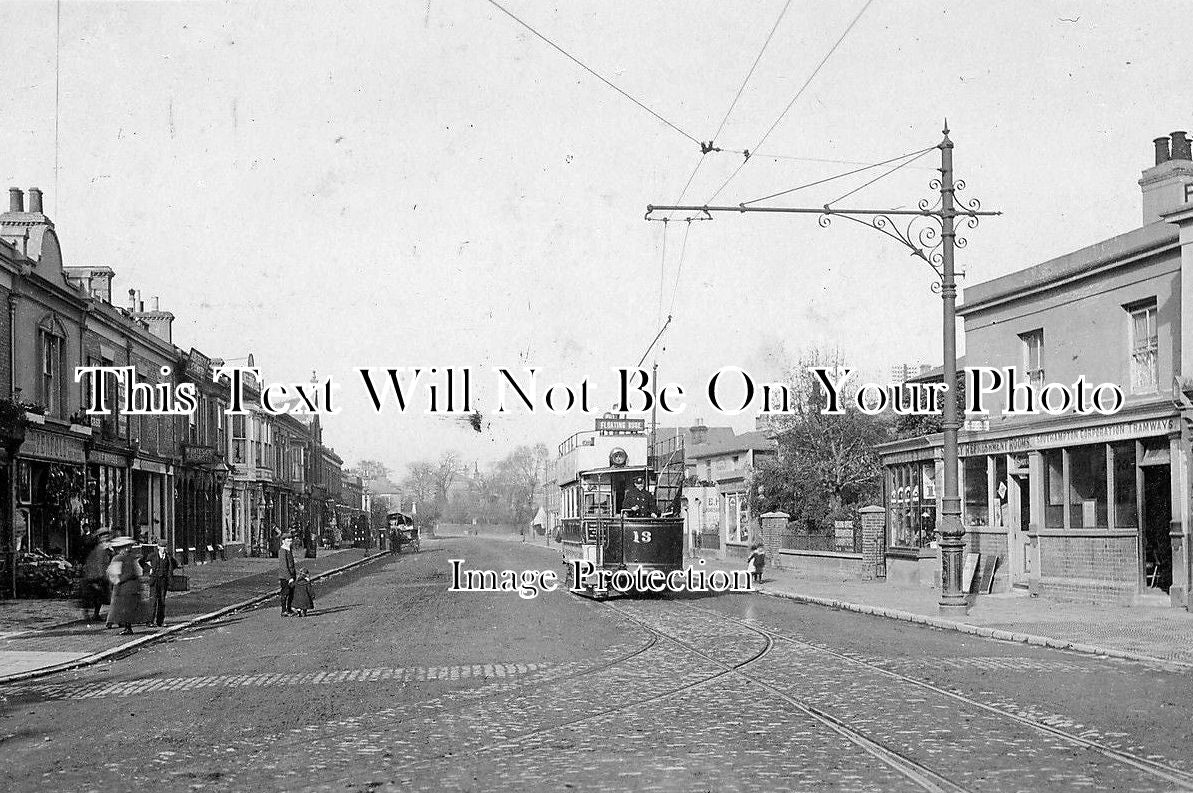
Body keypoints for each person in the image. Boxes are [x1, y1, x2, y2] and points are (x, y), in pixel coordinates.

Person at [106, 537, 145, 635]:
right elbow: (138, 571)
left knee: (122, 606)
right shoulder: (132, 557)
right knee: (127, 607)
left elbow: (113, 573)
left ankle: (126, 627)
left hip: (123, 586)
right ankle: (125, 626)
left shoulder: (118, 558)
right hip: (132, 586)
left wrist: (117, 580)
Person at [79, 530, 112, 623]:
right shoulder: (99, 549)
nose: (106, 538)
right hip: (95, 575)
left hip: (101, 574)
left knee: (100, 596)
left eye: (107, 536)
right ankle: (88, 614)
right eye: (104, 536)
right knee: (93, 595)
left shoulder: (106, 548)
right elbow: (97, 563)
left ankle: (95, 614)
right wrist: (100, 575)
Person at [144, 539, 178, 628]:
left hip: (163, 581)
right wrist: (150, 569)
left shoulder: (168, 557)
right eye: (161, 547)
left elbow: (174, 564)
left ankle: (160, 621)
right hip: (154, 581)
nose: (163, 549)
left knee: (162, 601)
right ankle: (150, 621)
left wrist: (169, 573)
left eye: (164, 547)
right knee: (153, 601)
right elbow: (142, 562)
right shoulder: (152, 555)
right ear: (158, 547)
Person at [278, 532, 297, 616]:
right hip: (285, 577)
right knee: (285, 593)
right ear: (283, 541)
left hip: (291, 575)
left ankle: (289, 609)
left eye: (290, 540)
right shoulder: (282, 551)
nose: (290, 542)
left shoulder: (289, 550)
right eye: (288, 541)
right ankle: (284, 610)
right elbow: (284, 566)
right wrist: (289, 578)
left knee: (291, 593)